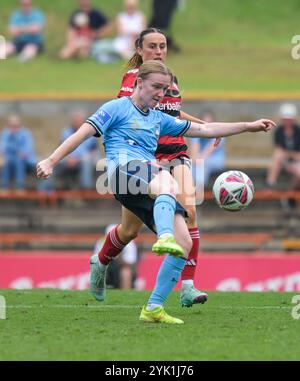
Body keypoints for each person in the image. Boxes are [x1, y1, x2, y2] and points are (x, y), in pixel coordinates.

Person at [36, 60, 275, 323]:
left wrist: (248, 126)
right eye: (156, 87)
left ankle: (153, 308)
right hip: (120, 172)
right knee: (168, 183)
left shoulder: (159, 119)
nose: (161, 94)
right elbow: (81, 134)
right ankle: (163, 237)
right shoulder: (116, 108)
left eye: (165, 90)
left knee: (183, 242)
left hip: (145, 182)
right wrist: (51, 160)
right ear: (139, 83)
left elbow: (205, 130)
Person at [118, 28, 215, 308]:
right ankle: (100, 261)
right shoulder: (132, 80)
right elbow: (125, 110)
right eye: (152, 46)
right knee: (129, 231)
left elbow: (173, 112)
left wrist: (206, 127)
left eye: (162, 46)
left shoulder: (172, 80)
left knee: (191, 210)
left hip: (176, 153)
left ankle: (187, 286)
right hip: (146, 157)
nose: (159, 51)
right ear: (140, 50)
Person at [58, 111, 99, 190]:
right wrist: (70, 158)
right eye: (74, 120)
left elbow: (94, 151)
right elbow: (61, 148)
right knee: (54, 163)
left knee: (86, 160)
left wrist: (78, 158)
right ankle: (50, 189)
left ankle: (86, 188)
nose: (76, 122)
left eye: (78, 120)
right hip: (68, 158)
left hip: (84, 158)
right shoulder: (66, 132)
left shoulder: (90, 132)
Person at [93, 224, 138, 289]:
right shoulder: (101, 242)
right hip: (107, 266)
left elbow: (129, 262)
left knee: (126, 272)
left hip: (121, 266)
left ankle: (126, 293)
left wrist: (117, 257)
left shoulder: (129, 243)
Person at [190, 110, 226, 191]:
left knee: (201, 163)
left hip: (216, 161)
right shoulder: (196, 131)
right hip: (200, 159)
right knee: (190, 163)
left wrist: (199, 158)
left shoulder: (219, 133)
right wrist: (195, 158)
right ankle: (189, 187)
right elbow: (194, 151)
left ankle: (198, 190)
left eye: (209, 123)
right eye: (205, 123)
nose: (207, 126)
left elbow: (208, 151)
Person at [0, 114, 36, 191]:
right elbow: (2, 149)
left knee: (19, 160)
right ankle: (4, 187)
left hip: (26, 162)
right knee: (7, 160)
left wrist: (14, 149)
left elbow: (26, 151)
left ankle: (20, 187)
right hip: (11, 160)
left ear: (20, 125)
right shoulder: (6, 133)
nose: (13, 128)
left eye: (16, 126)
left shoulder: (26, 133)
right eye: (11, 126)